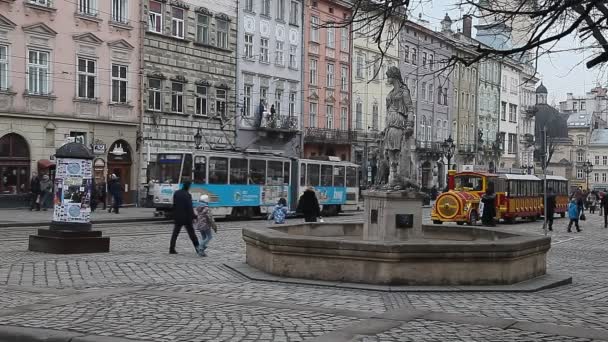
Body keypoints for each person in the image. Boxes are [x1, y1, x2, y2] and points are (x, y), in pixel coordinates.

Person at [170, 181, 200, 254]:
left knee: (175, 234)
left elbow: (174, 205)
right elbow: (189, 208)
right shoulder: (188, 195)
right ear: (188, 187)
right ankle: (198, 249)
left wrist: (174, 215)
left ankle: (171, 249)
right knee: (192, 234)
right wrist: (194, 216)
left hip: (178, 217)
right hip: (186, 218)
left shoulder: (176, 193)